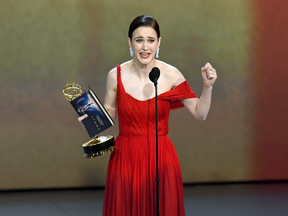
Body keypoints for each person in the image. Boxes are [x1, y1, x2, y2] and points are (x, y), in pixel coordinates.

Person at [80, 15, 217, 216]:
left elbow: (200, 113)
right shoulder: (115, 75)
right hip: (125, 157)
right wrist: (88, 114)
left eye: (151, 40)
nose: (145, 47)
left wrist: (207, 87)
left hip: (161, 158)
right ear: (130, 42)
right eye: (139, 40)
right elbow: (108, 116)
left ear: (159, 42)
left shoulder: (171, 74)